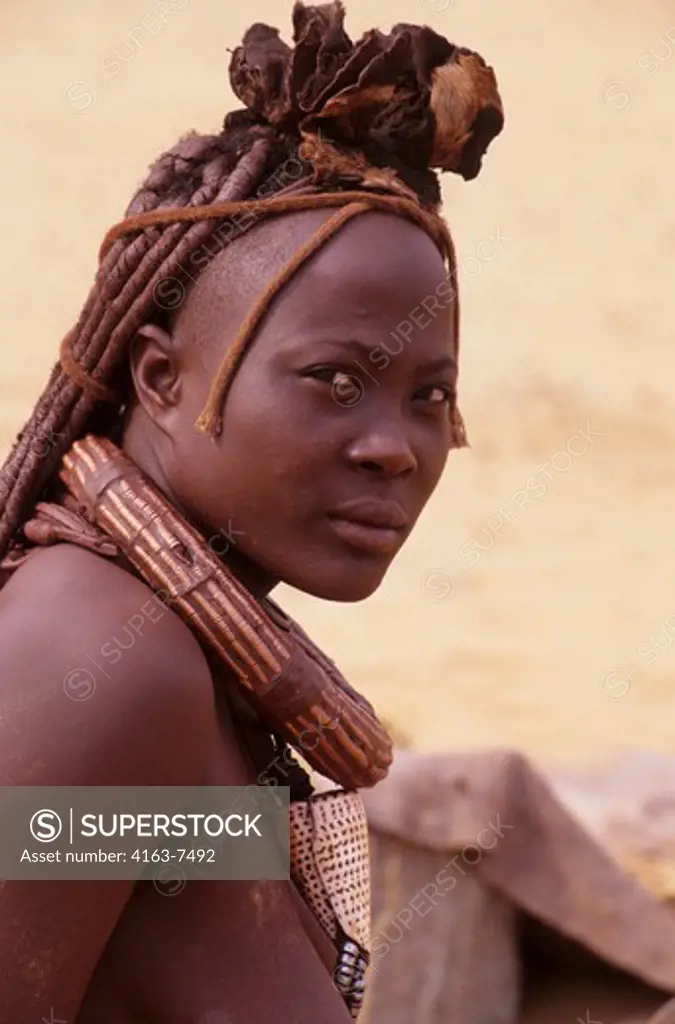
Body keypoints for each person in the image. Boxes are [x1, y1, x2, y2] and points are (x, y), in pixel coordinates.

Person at [0, 2, 503, 1021]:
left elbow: (150, 883)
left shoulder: (181, 672)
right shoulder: (108, 658)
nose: (393, 447)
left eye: (430, 396)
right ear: (159, 376)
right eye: (332, 379)